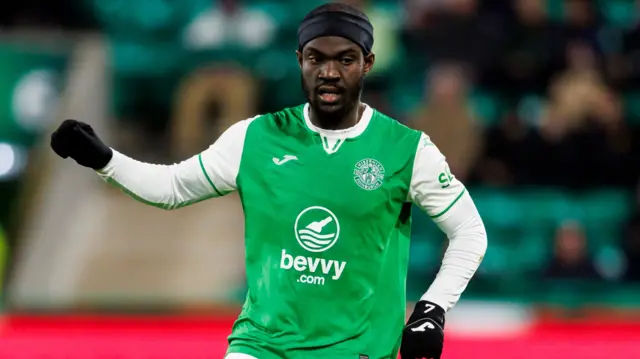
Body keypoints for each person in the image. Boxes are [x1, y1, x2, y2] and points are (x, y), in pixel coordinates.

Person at [50, 3, 487, 359]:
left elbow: (469, 231)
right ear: (300, 60)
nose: (329, 72)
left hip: (360, 351)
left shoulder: (407, 149)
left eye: (345, 59)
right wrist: (104, 159)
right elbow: (173, 188)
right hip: (261, 346)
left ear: (368, 63)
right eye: (316, 58)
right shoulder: (254, 138)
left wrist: (432, 309)